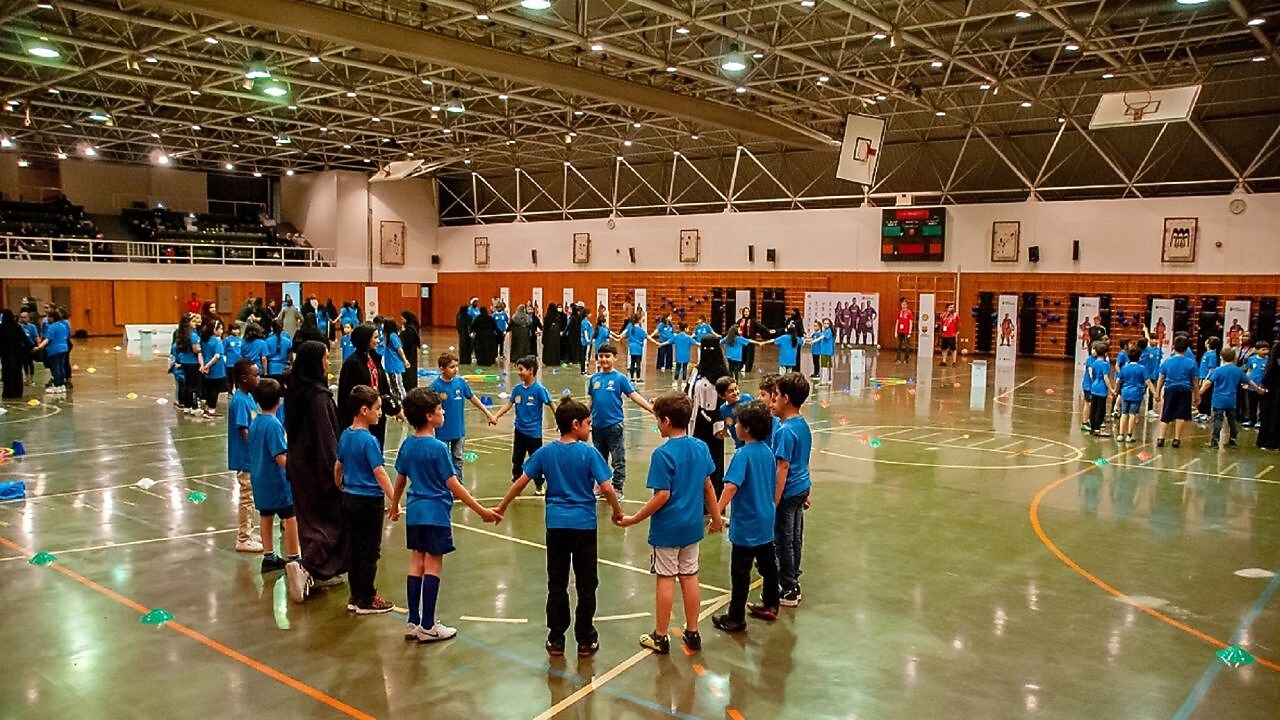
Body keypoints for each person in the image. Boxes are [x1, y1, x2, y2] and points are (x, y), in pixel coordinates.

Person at [493, 398, 625, 657]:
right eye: (588, 424)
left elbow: (521, 482)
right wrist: (618, 512)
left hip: (556, 526)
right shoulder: (589, 453)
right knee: (587, 584)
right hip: (584, 526)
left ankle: (556, 638)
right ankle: (586, 639)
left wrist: (501, 507)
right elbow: (607, 487)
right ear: (575, 425)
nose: (590, 428)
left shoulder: (545, 453)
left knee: (557, 582)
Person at [390, 387, 500, 643]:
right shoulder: (438, 448)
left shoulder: (408, 444)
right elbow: (454, 484)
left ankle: (412, 621)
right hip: (436, 513)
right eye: (440, 409)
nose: (444, 412)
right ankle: (428, 625)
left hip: (415, 512)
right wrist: (481, 510)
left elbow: (400, 479)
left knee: (416, 561)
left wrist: (395, 505)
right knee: (433, 564)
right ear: (430, 416)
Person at [618, 393, 721, 655]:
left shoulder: (663, 454)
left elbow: (662, 495)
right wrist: (717, 518)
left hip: (667, 529)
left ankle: (661, 636)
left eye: (657, 421)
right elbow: (708, 486)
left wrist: (634, 519)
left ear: (665, 420)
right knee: (690, 576)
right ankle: (693, 631)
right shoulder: (700, 447)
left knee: (666, 579)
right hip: (692, 527)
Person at [284, 341, 347, 596]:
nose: (327, 363)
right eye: (324, 358)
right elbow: (326, 438)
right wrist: (336, 471)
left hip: (298, 464)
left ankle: (322, 572)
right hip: (317, 467)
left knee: (308, 521)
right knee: (330, 522)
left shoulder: (296, 392)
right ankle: (307, 567)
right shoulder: (318, 398)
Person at [712, 400, 781, 632]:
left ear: (746, 429)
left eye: (738, 423)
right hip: (766, 519)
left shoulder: (742, 455)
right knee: (768, 565)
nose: (735, 426)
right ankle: (771, 603)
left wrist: (717, 512)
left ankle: (735, 617)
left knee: (740, 573)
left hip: (747, 524)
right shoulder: (768, 453)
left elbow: (731, 486)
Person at [335, 385, 395, 614]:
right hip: (369, 501)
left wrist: (339, 483)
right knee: (370, 551)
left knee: (354, 549)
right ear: (363, 410)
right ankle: (368, 598)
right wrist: (395, 498)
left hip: (349, 498)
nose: (380, 412)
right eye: (377, 408)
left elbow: (338, 466)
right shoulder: (368, 441)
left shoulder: (346, 435)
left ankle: (355, 595)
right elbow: (379, 472)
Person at [247, 378, 302, 578]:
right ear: (279, 401)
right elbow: (279, 455)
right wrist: (296, 472)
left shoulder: (255, 423)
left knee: (265, 516)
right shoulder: (274, 425)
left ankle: (268, 555)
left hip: (259, 478)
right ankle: (294, 556)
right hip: (277, 480)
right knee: (290, 516)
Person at [588, 343, 655, 498]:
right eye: (601, 356)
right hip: (597, 426)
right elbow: (590, 401)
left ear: (615, 358)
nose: (604, 359)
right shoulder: (594, 379)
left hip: (614, 425)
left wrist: (651, 409)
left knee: (618, 458)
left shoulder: (619, 378)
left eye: (607, 356)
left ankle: (617, 487)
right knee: (599, 458)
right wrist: (585, 417)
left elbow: (634, 396)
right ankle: (601, 486)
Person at [771, 372, 812, 607]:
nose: (773, 401)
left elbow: (783, 466)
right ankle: (793, 577)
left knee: (783, 540)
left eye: (775, 396)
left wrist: (774, 499)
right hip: (801, 488)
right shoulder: (802, 425)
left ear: (785, 398)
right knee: (795, 536)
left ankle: (788, 588)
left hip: (788, 492)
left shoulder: (785, 430)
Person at [428, 351, 498, 480]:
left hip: (459, 430)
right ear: (442, 369)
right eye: (452, 367)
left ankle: (458, 484)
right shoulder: (435, 387)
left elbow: (473, 398)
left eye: (456, 366)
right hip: (442, 431)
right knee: (443, 460)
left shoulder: (460, 382)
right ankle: (443, 485)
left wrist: (488, 413)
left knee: (458, 458)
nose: (455, 370)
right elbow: (427, 407)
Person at [492, 355, 553, 494]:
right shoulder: (517, 389)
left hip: (534, 434)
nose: (519, 373)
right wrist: (496, 416)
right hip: (519, 431)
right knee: (517, 459)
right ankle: (516, 483)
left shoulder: (539, 389)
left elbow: (551, 404)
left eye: (521, 369)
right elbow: (509, 404)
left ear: (531, 370)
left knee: (536, 460)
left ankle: (539, 484)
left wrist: (561, 422)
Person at [227, 359, 262, 554]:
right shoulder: (240, 400)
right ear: (243, 378)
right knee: (247, 498)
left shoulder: (248, 397)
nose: (258, 378)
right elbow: (244, 431)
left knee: (251, 498)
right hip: (245, 457)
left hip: (251, 458)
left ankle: (249, 530)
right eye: (255, 375)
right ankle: (243, 538)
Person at [687, 339, 728, 496]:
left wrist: (720, 424)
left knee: (712, 463)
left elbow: (725, 402)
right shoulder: (697, 372)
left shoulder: (722, 375)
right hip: (694, 424)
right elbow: (688, 392)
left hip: (712, 426)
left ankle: (714, 500)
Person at [337, 324, 388, 448]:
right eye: (375, 338)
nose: (378, 341)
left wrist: (394, 408)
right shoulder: (352, 364)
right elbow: (345, 395)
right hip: (361, 418)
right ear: (365, 339)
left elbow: (383, 387)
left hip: (377, 417)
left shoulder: (375, 359)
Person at [1200, 347, 1261, 449]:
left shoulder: (1218, 370)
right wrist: (1258, 389)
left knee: (1218, 420)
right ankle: (1233, 440)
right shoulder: (1238, 370)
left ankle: (1214, 441)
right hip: (1231, 399)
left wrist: (1199, 393)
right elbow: (1249, 381)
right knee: (1232, 420)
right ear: (1234, 358)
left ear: (1221, 357)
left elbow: (1207, 383)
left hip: (1218, 400)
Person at [1155, 334, 1199, 449]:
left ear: (1173, 347)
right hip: (1185, 389)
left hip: (1170, 389)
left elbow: (1161, 378)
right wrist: (1197, 395)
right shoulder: (1191, 363)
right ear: (1187, 348)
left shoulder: (1167, 362)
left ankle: (1161, 438)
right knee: (1181, 414)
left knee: (1166, 413)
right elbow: (1195, 381)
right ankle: (1176, 439)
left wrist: (1157, 392)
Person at [1115, 346, 1152, 443]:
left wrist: (1115, 390)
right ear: (1139, 357)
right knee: (1132, 414)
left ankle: (1120, 434)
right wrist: (1155, 392)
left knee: (1124, 413)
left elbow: (1118, 380)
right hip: (1136, 394)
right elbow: (1148, 381)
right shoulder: (1142, 368)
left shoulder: (1124, 368)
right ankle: (1129, 435)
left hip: (1125, 393)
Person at [0, 309, 32, 398]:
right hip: (17, 353)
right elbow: (25, 339)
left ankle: (8, 392)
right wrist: (32, 347)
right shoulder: (17, 327)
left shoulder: (1, 328)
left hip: (5, 354)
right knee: (17, 373)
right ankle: (17, 392)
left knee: (7, 373)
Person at [716, 376, 754, 451]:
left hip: (752, 442)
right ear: (722, 396)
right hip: (739, 445)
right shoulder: (723, 409)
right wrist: (723, 432)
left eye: (736, 389)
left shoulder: (747, 399)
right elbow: (726, 426)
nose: (735, 393)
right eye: (730, 391)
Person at [198, 320, 227, 418]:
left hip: (206, 368)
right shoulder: (217, 341)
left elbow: (200, 353)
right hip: (216, 368)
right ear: (215, 330)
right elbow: (217, 356)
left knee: (209, 388)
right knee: (215, 390)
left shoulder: (204, 340)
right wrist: (208, 366)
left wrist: (203, 365)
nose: (222, 331)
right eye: (220, 329)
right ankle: (211, 410)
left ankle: (207, 407)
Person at [173, 313, 202, 410]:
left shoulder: (181, 333)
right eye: (193, 321)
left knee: (187, 384)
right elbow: (195, 349)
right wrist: (201, 349)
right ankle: (193, 407)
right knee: (193, 385)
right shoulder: (193, 334)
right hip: (193, 362)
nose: (195, 323)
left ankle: (186, 405)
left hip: (184, 361)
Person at [1086, 341, 1114, 438]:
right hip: (1101, 388)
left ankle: (1093, 427)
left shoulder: (1094, 363)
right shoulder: (1105, 364)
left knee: (1093, 408)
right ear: (1106, 353)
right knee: (1100, 409)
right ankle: (1098, 429)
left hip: (1094, 387)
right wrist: (1111, 389)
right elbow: (1106, 377)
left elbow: (1093, 375)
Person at [1257, 346, 1280, 450]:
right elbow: (1270, 371)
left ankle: (1266, 441)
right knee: (1271, 416)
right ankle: (1269, 442)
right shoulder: (1276, 349)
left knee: (1270, 415)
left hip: (1272, 389)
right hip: (1273, 390)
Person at [1242, 341, 1270, 428]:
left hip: (1262, 386)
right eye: (1263, 349)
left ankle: (1260, 420)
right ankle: (1251, 420)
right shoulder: (1251, 359)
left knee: (1262, 405)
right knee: (1252, 404)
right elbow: (1249, 371)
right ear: (1257, 350)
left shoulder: (1269, 360)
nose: (1266, 351)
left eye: (1267, 349)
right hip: (1252, 386)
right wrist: (1246, 381)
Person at [380, 318, 408, 400]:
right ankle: (397, 401)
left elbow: (399, 349)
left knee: (398, 385)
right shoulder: (387, 336)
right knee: (393, 386)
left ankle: (404, 402)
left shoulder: (392, 336)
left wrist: (405, 360)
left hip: (395, 365)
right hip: (390, 365)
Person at [1195, 337, 1221, 423]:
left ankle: (1206, 414)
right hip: (1202, 377)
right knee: (1201, 396)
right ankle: (1201, 412)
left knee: (1206, 396)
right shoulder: (1206, 353)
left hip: (1207, 378)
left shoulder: (1212, 355)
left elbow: (1212, 368)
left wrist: (1207, 378)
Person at [619, 313, 648, 383]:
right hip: (638, 348)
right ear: (639, 320)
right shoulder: (640, 330)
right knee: (638, 363)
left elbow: (623, 334)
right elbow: (648, 337)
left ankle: (631, 378)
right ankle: (638, 378)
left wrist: (618, 337)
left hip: (631, 348)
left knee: (632, 362)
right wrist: (657, 343)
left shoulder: (630, 327)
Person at [400, 311, 422, 390]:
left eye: (402, 319)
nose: (401, 321)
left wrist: (401, 333)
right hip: (412, 354)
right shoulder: (413, 328)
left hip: (408, 354)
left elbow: (403, 342)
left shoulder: (409, 330)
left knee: (408, 374)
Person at [18, 311, 38, 386]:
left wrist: (38, 346)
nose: (23, 319)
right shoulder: (19, 327)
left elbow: (36, 337)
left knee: (30, 363)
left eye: (25, 317)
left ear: (28, 318)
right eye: (22, 317)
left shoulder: (32, 327)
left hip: (30, 346)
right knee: (24, 363)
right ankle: (26, 378)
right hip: (22, 348)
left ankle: (31, 379)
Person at [543, 303, 565, 367]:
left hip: (549, 335)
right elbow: (561, 324)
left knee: (548, 349)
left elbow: (545, 327)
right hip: (556, 335)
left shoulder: (547, 316)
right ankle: (555, 361)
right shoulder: (557, 316)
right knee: (556, 348)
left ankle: (548, 361)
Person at [938, 303, 959, 367]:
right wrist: (941, 333)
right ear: (947, 308)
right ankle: (944, 361)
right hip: (944, 335)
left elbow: (958, 324)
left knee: (953, 349)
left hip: (952, 335)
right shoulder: (943, 315)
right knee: (944, 348)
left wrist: (957, 332)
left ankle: (954, 362)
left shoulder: (955, 315)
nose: (952, 308)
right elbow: (941, 324)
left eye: (952, 307)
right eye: (950, 307)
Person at [895, 298, 914, 363]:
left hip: (906, 332)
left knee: (907, 345)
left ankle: (906, 359)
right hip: (900, 331)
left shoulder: (909, 312)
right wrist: (895, 332)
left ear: (907, 305)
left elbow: (911, 323)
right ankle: (898, 359)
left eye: (905, 304)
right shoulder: (899, 312)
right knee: (898, 345)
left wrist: (909, 332)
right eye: (902, 304)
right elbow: (897, 322)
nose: (903, 306)